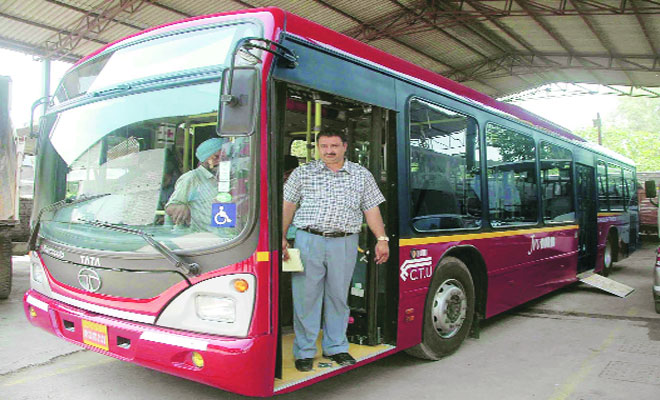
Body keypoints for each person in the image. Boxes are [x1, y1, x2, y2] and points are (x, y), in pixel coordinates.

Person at [282, 131, 390, 372]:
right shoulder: (303, 173)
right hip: (308, 239)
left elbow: (371, 209)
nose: (329, 151)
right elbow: (287, 205)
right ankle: (305, 351)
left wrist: (382, 239)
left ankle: (336, 347)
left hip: (345, 241)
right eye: (324, 146)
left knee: (339, 296)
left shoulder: (361, 175)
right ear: (317, 148)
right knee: (306, 297)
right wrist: (281, 235)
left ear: (345, 147)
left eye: (334, 146)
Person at [165, 138, 225, 230]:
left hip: (228, 236)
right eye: (216, 157)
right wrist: (181, 208)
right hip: (201, 236)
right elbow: (171, 207)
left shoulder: (229, 179)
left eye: (224, 157)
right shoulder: (192, 178)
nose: (220, 161)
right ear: (204, 158)